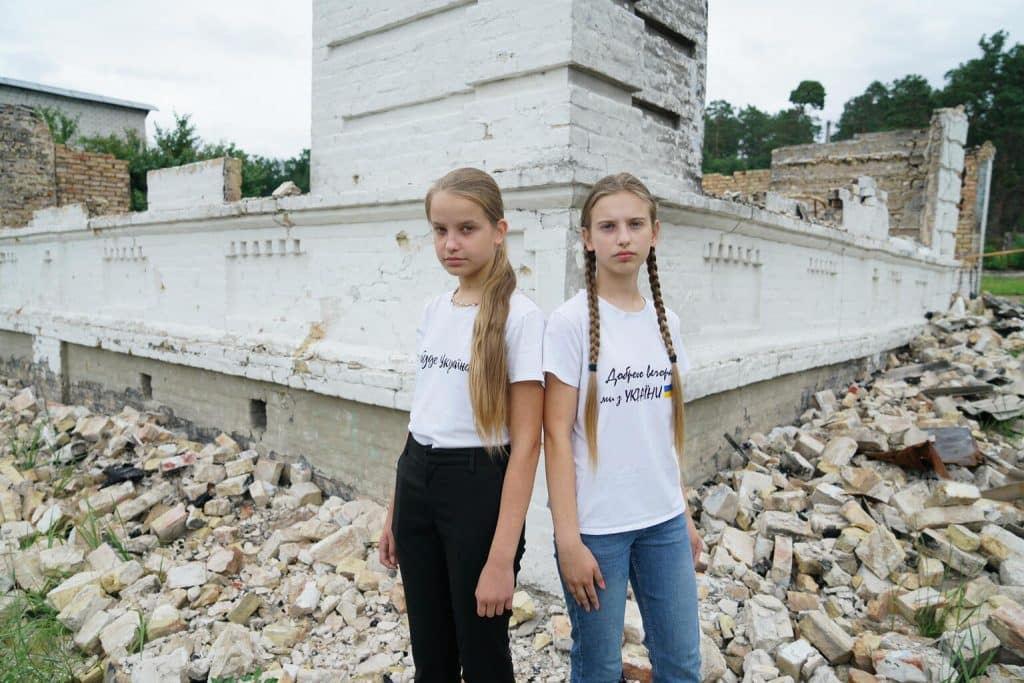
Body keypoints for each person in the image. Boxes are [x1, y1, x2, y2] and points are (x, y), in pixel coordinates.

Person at [378, 167, 545, 682]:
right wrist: (395, 511)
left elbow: (527, 446)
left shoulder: (520, 317)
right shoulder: (434, 309)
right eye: (440, 230)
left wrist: (501, 560)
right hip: (417, 481)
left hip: (477, 489)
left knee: (483, 653)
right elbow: (422, 417)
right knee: (430, 653)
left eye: (466, 229)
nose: (451, 243)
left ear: (500, 230)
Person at [543, 172, 703, 682]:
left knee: (681, 662)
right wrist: (568, 540)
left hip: (664, 523)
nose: (624, 237)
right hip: (598, 532)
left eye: (635, 224)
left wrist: (684, 510)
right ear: (587, 238)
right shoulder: (569, 324)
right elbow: (556, 437)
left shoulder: (667, 321)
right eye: (608, 226)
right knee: (599, 667)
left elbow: (661, 430)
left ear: (655, 232)